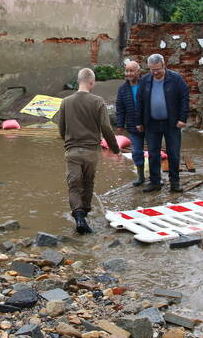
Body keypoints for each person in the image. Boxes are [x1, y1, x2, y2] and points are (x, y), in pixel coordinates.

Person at [58, 68, 120, 234]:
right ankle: (84, 213)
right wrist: (115, 149)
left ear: (78, 81)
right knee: (88, 183)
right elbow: (106, 128)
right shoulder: (98, 101)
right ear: (92, 82)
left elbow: (61, 128)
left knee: (74, 186)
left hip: (72, 151)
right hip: (91, 152)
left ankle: (78, 217)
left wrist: (69, 143)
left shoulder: (66, 102)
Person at [136, 53, 189, 193]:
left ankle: (175, 182)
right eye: (152, 69)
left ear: (164, 65)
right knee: (153, 154)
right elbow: (140, 102)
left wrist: (183, 118)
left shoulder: (175, 79)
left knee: (173, 153)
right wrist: (139, 121)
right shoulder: (145, 80)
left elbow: (184, 98)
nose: (155, 72)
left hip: (171, 123)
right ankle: (155, 182)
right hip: (151, 123)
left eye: (157, 69)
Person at [115, 60, 146, 186]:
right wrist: (120, 125)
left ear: (138, 72)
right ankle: (141, 177)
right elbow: (120, 108)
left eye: (131, 71)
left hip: (149, 124)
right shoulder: (123, 89)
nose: (128, 73)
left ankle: (156, 177)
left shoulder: (146, 85)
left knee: (154, 151)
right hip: (133, 125)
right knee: (137, 151)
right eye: (127, 71)